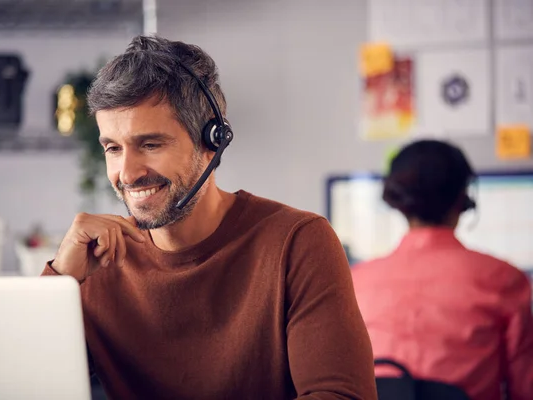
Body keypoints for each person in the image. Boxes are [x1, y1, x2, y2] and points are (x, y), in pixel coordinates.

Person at [41, 35, 376, 400]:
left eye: (150, 144)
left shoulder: (296, 242)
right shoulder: (96, 262)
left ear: (212, 142)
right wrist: (58, 280)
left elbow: (342, 395)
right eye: (113, 148)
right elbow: (16, 383)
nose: (128, 172)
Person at [351, 140, 533, 400]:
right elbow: (525, 389)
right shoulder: (505, 279)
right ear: (463, 199)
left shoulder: (355, 281)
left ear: (397, 200)